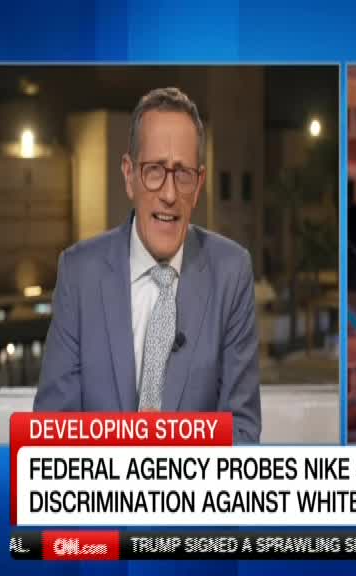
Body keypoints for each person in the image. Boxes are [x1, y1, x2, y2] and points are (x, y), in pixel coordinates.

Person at [34, 87, 261, 443]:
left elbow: (242, 433)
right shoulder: (79, 273)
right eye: (154, 170)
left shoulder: (231, 273)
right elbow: (51, 434)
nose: (169, 194)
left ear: (198, 185)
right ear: (129, 175)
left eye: (182, 174)